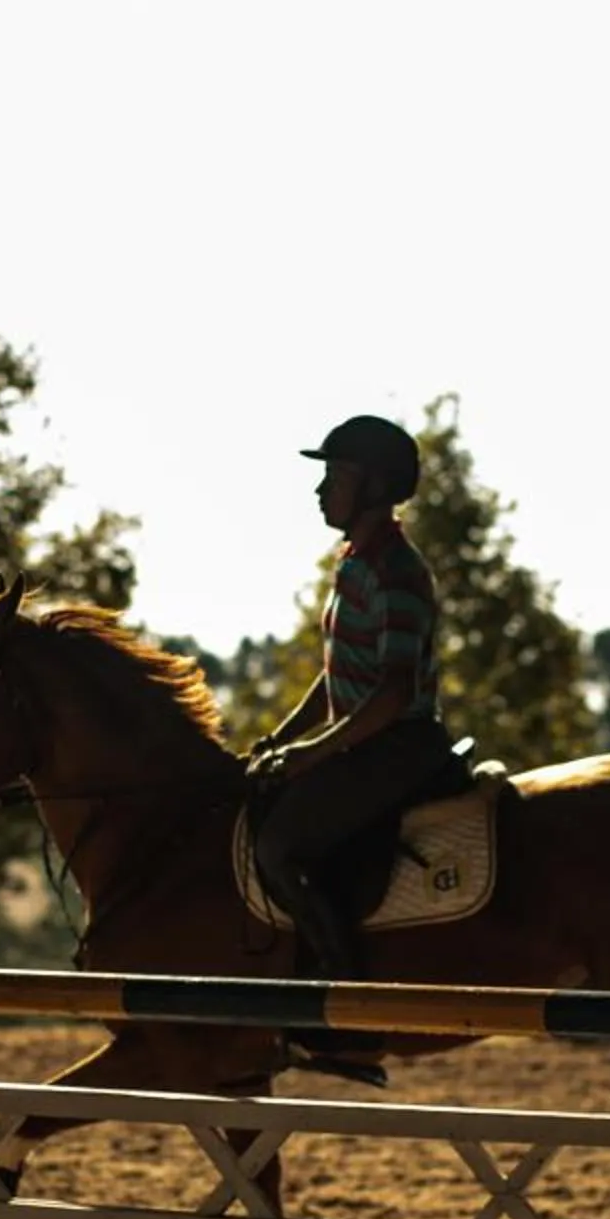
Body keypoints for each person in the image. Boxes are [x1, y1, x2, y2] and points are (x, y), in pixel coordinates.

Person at [250, 413, 467, 980]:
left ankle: (343, 990)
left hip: (398, 745)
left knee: (279, 849)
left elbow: (391, 693)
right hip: (366, 741)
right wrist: (281, 739)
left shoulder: (395, 571)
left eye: (336, 477)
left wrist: (312, 754)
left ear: (373, 486)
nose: (321, 490)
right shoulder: (355, 565)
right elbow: (337, 676)